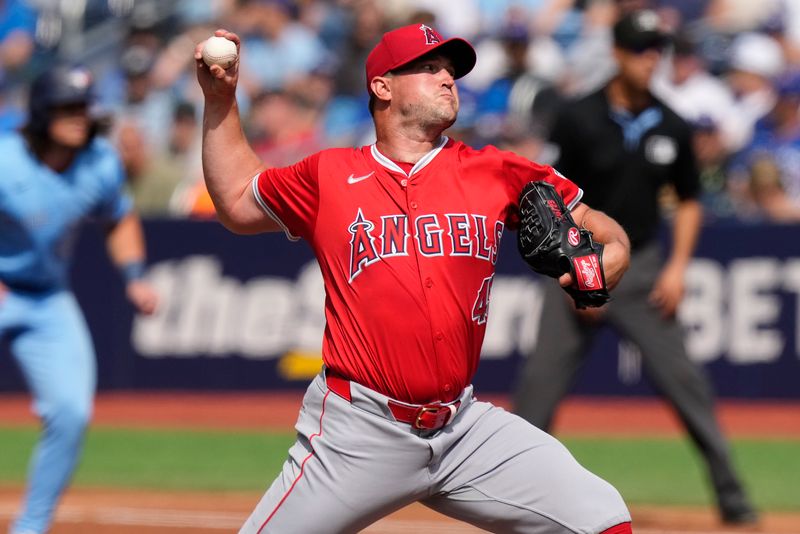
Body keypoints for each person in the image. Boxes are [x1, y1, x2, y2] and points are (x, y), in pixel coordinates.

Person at [196, 23, 634, 534]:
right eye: (429, 69)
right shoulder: (329, 175)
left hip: (463, 429)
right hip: (359, 432)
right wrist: (220, 98)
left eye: (451, 71)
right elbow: (236, 199)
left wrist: (614, 253)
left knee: (602, 518)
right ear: (382, 86)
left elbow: (596, 225)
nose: (448, 79)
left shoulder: (493, 170)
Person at [512, 10, 759, 525]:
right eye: (641, 49)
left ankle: (734, 501)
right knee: (539, 388)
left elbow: (689, 200)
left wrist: (677, 269)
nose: (652, 59)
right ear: (619, 54)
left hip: (642, 267)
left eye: (657, 50)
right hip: (575, 264)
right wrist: (570, 274)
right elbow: (548, 198)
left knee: (685, 383)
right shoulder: (578, 116)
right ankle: (511, 498)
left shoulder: (672, 121)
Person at [0, 64, 159, 534]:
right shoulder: (6, 161)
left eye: (84, 108)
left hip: (47, 300)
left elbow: (120, 218)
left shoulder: (100, 164)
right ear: (42, 111)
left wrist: (134, 276)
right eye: (68, 107)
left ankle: (31, 527)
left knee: (70, 412)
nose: (79, 117)